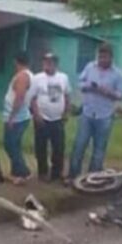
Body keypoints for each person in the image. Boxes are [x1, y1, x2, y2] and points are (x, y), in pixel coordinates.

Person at [67, 43, 122, 183]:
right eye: (100, 56)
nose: (101, 59)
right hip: (87, 113)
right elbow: (80, 83)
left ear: (111, 57)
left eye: (105, 57)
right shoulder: (89, 67)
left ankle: (92, 179)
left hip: (104, 116)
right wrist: (88, 86)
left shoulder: (118, 74)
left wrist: (107, 92)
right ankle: (73, 176)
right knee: (79, 145)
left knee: (99, 150)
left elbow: (121, 95)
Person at [31, 51, 71, 182]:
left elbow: (67, 95)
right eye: (45, 62)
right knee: (41, 147)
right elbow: (32, 98)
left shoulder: (63, 77)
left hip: (58, 118)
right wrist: (36, 115)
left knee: (59, 147)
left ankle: (56, 173)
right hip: (42, 118)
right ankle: (42, 172)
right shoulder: (37, 78)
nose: (48, 65)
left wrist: (66, 112)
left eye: (51, 62)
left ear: (56, 64)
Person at [2, 52, 34, 184]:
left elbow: (19, 96)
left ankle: (23, 172)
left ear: (16, 61)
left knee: (10, 144)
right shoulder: (29, 75)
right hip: (19, 116)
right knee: (14, 144)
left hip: (17, 117)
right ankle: (16, 172)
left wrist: (12, 117)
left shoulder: (22, 76)